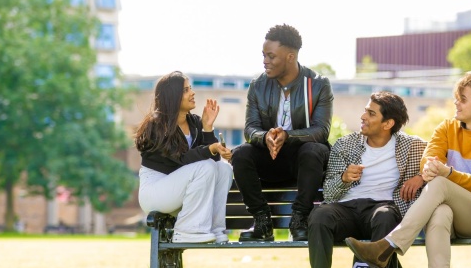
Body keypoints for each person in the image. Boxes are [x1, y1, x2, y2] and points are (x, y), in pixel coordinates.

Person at [347, 71, 471, 268]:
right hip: (448, 207)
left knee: (439, 184)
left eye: (463, 99)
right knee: (439, 214)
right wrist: (431, 168)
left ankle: (387, 246)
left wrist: (445, 173)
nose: (456, 102)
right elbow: (427, 161)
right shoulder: (447, 128)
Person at [304, 92, 426, 268]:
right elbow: (330, 193)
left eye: (371, 113)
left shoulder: (412, 146)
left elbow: (439, 161)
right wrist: (343, 178)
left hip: (381, 209)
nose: (363, 116)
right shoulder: (345, 144)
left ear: (388, 123)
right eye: (365, 110)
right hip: (347, 209)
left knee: (386, 216)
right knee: (320, 215)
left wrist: (420, 177)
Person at [231, 24, 333, 241]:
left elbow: (321, 131)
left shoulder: (318, 84)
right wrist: (265, 136)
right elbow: (250, 129)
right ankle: (262, 222)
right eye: (263, 55)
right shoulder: (257, 85)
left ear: (290, 56)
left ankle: (299, 219)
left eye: (271, 56)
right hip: (271, 157)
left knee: (314, 150)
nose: (265, 61)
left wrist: (289, 136)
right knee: (240, 154)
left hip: (304, 162)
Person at [134, 71, 233, 244]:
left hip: (182, 190)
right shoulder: (157, 125)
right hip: (155, 192)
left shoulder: (194, 122)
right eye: (186, 90)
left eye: (190, 88)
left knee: (224, 168)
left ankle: (214, 229)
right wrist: (210, 148)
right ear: (173, 96)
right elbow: (180, 160)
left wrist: (207, 128)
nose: (192, 93)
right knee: (206, 166)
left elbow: (214, 164)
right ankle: (187, 230)